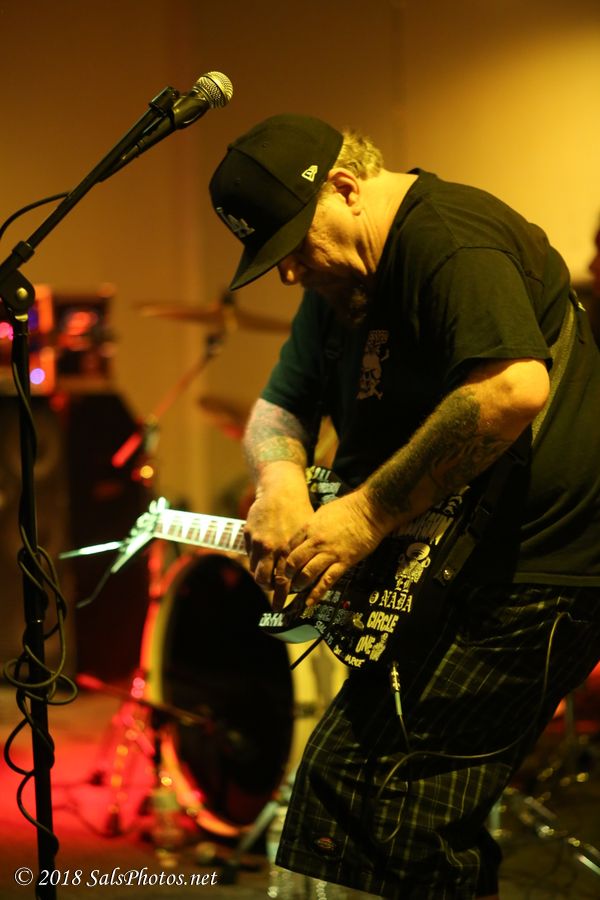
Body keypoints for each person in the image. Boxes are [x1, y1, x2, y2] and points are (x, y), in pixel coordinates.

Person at [208, 114, 600, 899]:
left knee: (374, 799)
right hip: (461, 576)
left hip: (533, 575)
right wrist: (280, 484)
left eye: (293, 247)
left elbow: (510, 388)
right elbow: (277, 407)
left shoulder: (448, 238)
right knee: (383, 815)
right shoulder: (343, 286)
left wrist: (361, 517)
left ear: (344, 188)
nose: (290, 275)